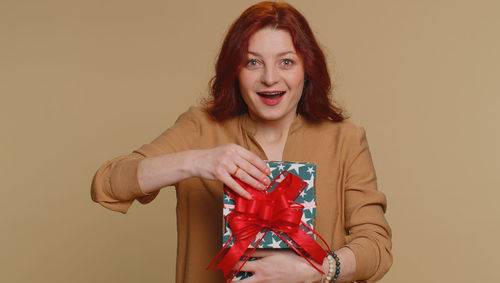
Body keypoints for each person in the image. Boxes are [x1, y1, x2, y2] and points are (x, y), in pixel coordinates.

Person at [91, 1, 392, 282]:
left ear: (307, 69)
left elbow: (377, 246)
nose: (270, 78)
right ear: (234, 70)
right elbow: (106, 184)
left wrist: (316, 270)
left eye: (286, 62)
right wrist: (195, 161)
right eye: (252, 63)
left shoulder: (345, 140)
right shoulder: (200, 128)